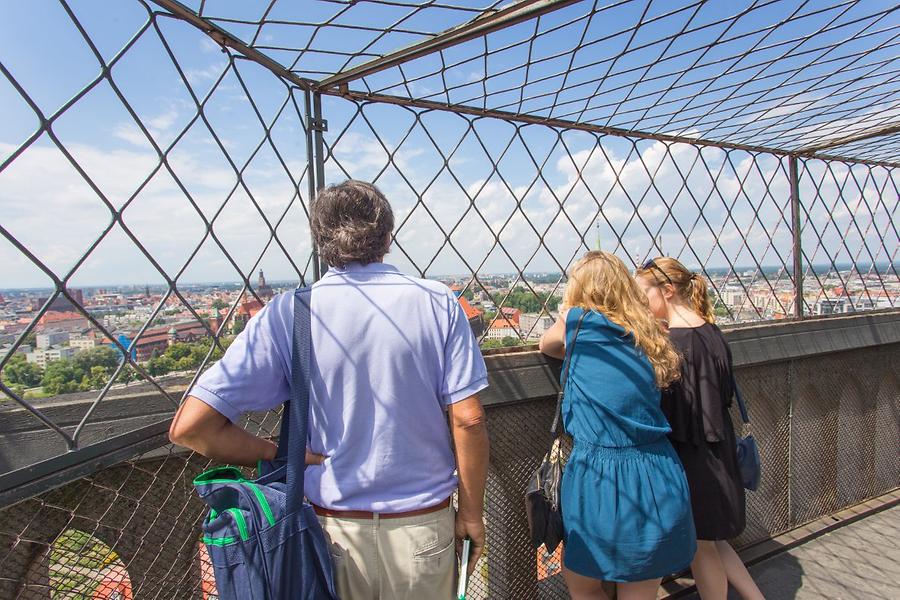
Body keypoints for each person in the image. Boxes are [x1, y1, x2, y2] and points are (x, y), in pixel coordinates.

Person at [169, 180, 490, 600]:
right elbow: (468, 418)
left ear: (321, 241)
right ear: (387, 236)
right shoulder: (437, 302)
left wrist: (277, 453)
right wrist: (470, 513)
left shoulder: (289, 312)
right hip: (421, 527)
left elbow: (191, 428)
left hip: (330, 532)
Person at [539, 251, 696, 600]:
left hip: (600, 479)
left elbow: (546, 345)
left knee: (584, 586)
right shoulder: (649, 334)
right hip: (657, 474)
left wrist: (567, 317)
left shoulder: (578, 324)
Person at [636, 257, 764, 600]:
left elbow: (672, 413)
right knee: (713, 540)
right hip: (718, 450)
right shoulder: (711, 331)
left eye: (643, 295)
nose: (641, 305)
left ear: (667, 291)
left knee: (700, 547)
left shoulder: (675, 344)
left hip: (693, 459)